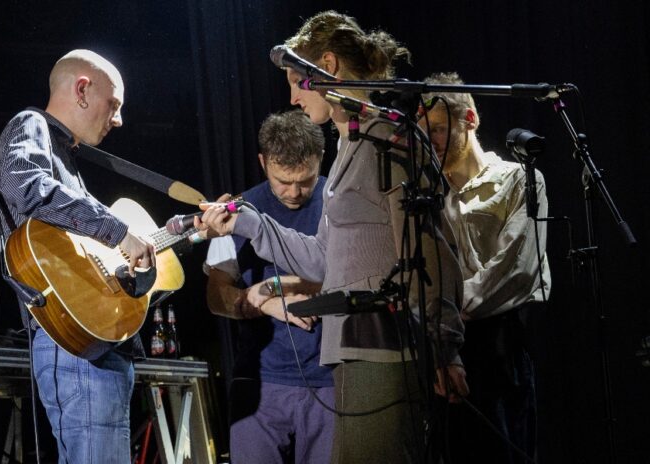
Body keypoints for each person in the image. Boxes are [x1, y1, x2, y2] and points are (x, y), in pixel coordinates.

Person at [196, 11, 469, 464]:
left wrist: (446, 347)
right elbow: (324, 260)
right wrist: (248, 222)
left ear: (327, 65)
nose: (292, 98)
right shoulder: (348, 149)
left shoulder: (386, 142)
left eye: (295, 83)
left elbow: (431, 249)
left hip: (385, 350)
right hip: (350, 350)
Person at [0, 49, 155, 463]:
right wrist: (119, 231)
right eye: (113, 104)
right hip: (75, 348)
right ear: (82, 89)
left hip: (93, 346)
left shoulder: (69, 164)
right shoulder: (30, 125)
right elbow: (25, 186)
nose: (118, 119)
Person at [417, 72, 551, 463]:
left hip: (499, 342)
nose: (430, 141)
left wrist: (451, 310)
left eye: (438, 129)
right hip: (444, 343)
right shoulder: (427, 194)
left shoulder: (518, 179)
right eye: (424, 132)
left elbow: (517, 267)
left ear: (470, 120)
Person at [203, 109, 334, 463]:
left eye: (305, 180)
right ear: (263, 163)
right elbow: (216, 296)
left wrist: (281, 286)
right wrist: (264, 301)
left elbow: (348, 278)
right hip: (260, 382)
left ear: (321, 159)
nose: (294, 192)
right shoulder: (236, 212)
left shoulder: (339, 203)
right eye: (283, 181)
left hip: (330, 382)